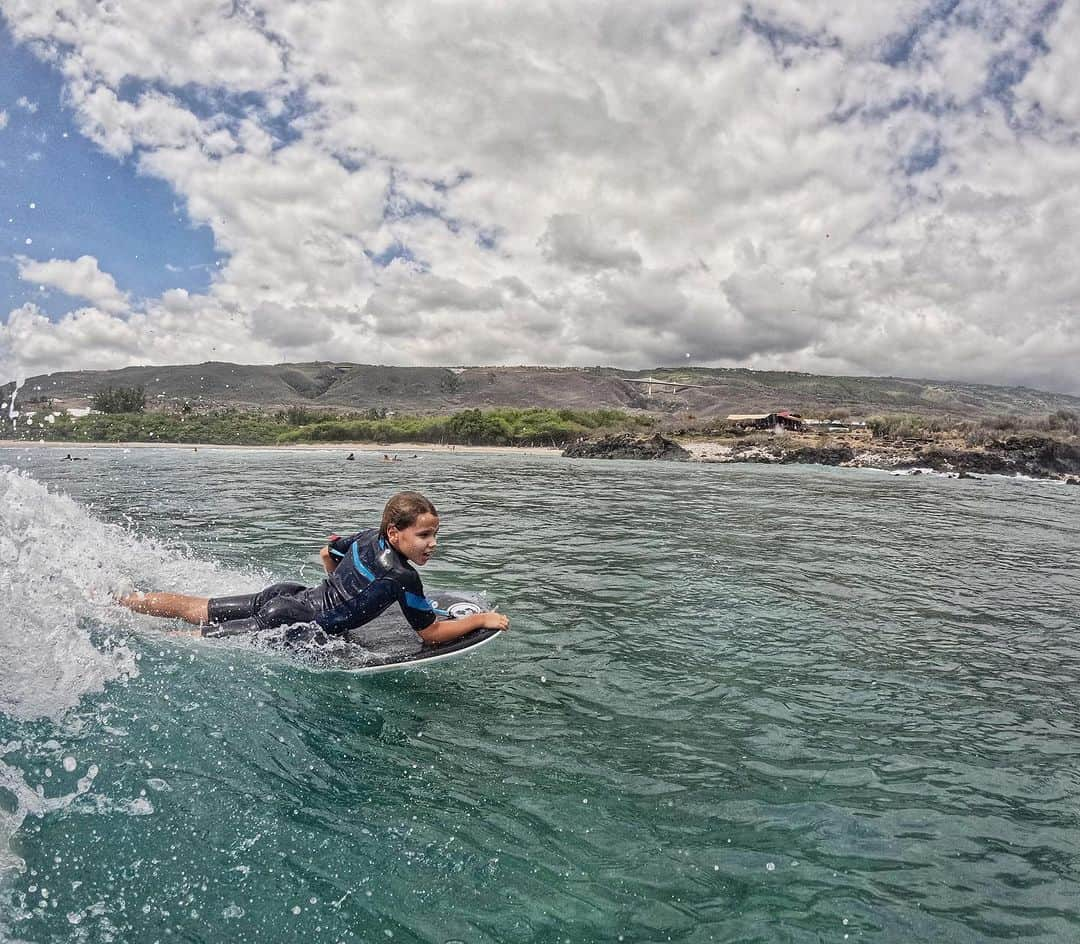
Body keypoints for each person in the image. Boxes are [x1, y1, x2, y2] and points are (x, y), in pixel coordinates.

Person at [118, 491, 509, 645]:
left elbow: (327, 553)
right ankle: (134, 633)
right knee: (191, 637)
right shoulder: (403, 576)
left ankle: (119, 602)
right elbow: (433, 634)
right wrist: (481, 619)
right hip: (294, 623)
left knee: (197, 608)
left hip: (288, 595)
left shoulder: (366, 537)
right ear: (395, 532)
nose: (432, 544)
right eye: (424, 536)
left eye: (435, 535)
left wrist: (345, 591)